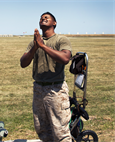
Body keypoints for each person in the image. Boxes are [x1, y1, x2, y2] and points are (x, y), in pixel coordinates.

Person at [20, 12, 72, 142]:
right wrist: (35, 47)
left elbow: (65, 58)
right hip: (38, 89)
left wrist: (43, 46)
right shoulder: (35, 43)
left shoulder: (61, 40)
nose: (43, 19)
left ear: (54, 23)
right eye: (41, 18)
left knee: (60, 131)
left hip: (56, 90)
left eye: (46, 17)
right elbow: (23, 63)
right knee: (43, 129)